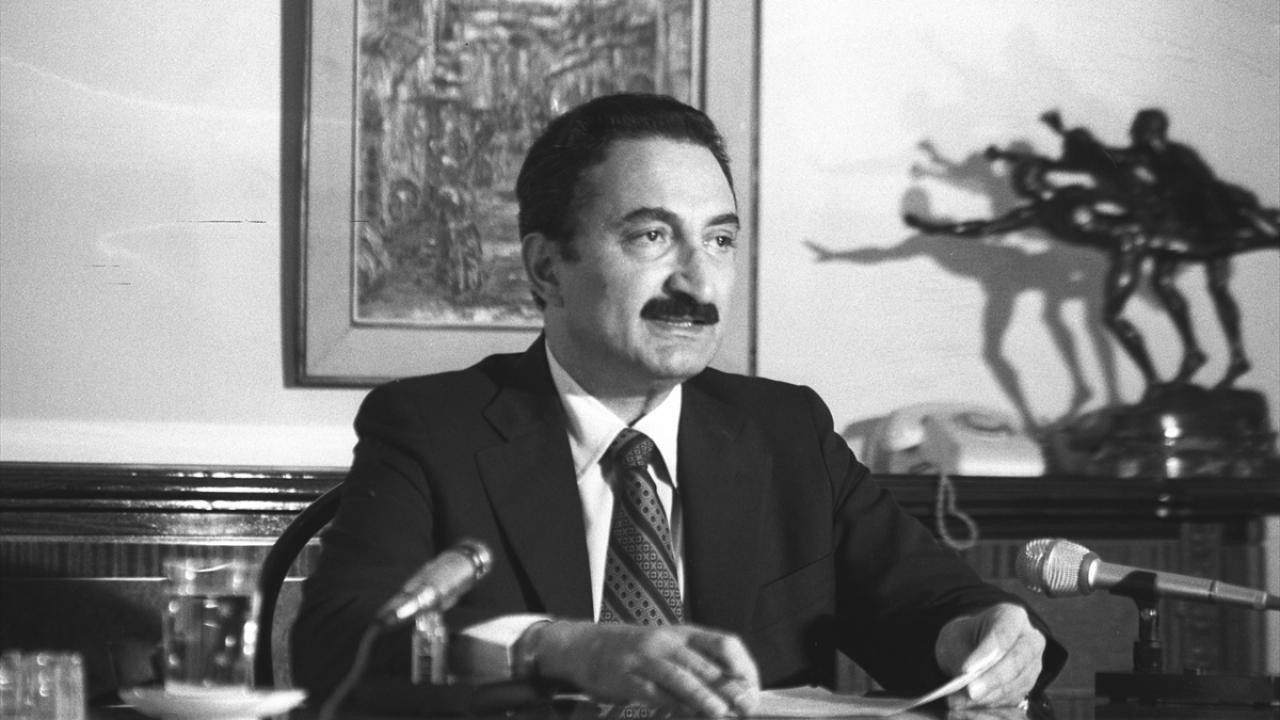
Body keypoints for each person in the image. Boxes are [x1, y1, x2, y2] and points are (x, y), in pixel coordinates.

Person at [292, 93, 1065, 717]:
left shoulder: (784, 434)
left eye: (720, 241)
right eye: (653, 237)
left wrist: (979, 636)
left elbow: (932, 605)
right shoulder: (433, 429)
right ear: (547, 268)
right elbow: (337, 646)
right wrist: (556, 648)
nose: (698, 283)